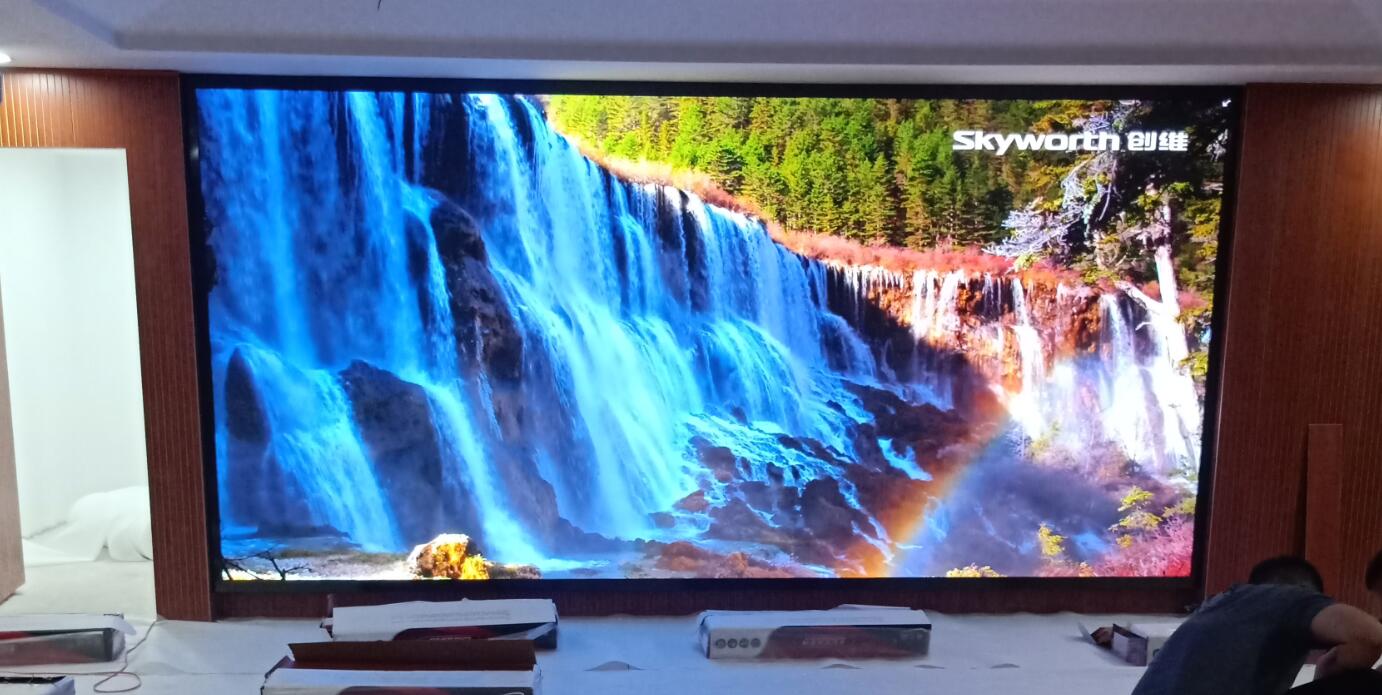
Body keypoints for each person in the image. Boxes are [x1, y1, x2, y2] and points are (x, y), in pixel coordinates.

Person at [1132, 556, 1382, 695]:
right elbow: (1369, 636)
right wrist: (1329, 673)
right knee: (1365, 684)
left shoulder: (1216, 609)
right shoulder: (1287, 599)